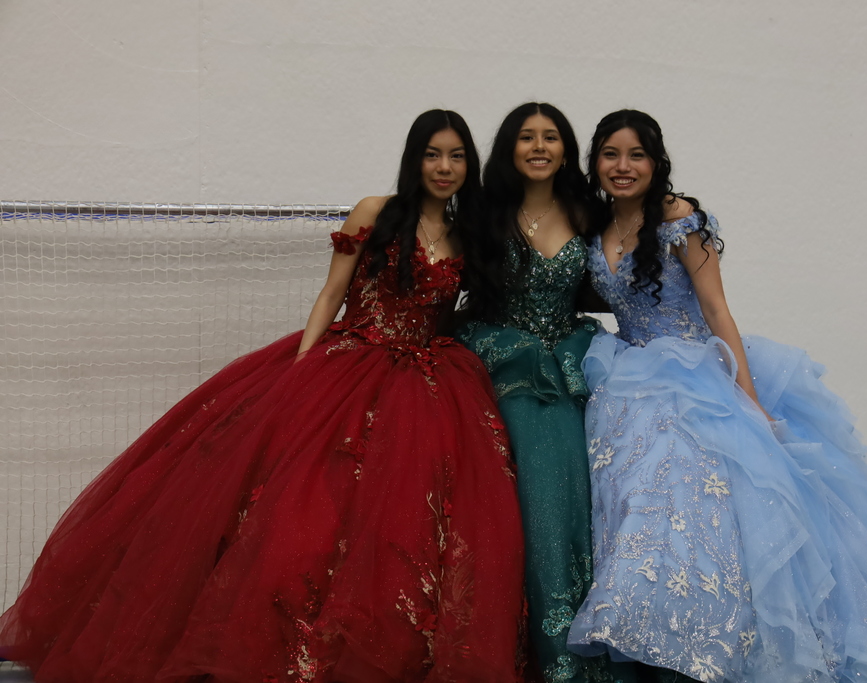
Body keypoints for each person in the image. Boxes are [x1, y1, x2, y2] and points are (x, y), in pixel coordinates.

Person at [0, 109, 527, 683]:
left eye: (456, 156)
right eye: (433, 153)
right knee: (298, 517)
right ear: (414, 158)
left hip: (426, 387)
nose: (444, 167)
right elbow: (332, 293)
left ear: (469, 164)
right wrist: (303, 371)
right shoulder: (376, 212)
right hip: (349, 364)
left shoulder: (466, 233)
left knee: (405, 526)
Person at [566, 109, 867, 683]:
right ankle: (657, 635)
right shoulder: (596, 227)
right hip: (628, 381)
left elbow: (716, 310)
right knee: (640, 502)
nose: (623, 166)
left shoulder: (678, 218)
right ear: (595, 163)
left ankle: (711, 645)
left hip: (694, 376)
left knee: (699, 496)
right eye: (611, 154)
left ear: (656, 162)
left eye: (636, 154)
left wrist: (749, 401)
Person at [458, 103, 633, 683]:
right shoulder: (483, 213)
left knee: (591, 494)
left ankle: (591, 645)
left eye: (551, 137)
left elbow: (631, 257)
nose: (539, 146)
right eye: (527, 137)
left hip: (572, 364)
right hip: (505, 364)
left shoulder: (587, 212)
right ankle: (543, 655)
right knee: (534, 494)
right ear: (509, 147)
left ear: (565, 149)